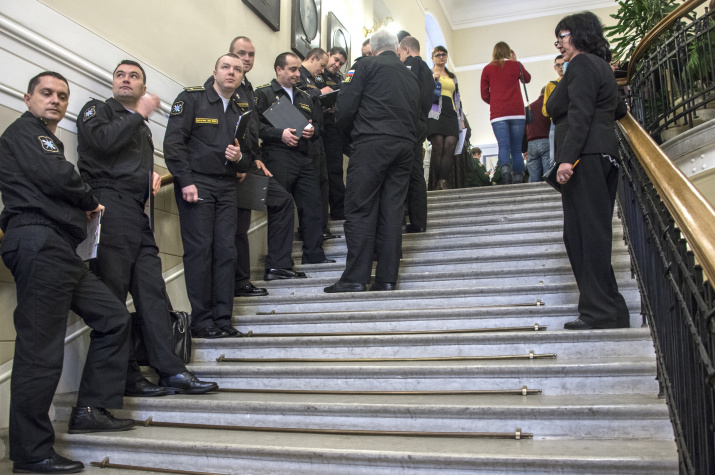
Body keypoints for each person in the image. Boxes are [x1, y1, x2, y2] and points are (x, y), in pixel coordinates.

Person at [0, 71, 135, 474]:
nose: (55, 100)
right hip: (39, 241)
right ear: (28, 98)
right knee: (40, 350)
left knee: (113, 317)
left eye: (62, 95)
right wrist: (90, 200)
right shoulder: (28, 133)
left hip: (59, 249)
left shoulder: (48, 139)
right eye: (46, 93)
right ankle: (31, 453)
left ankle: (90, 409)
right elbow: (58, 177)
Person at [76, 60, 218, 396]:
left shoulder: (139, 126)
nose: (125, 80)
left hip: (135, 211)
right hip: (107, 207)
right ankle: (125, 378)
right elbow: (102, 143)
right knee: (113, 297)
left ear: (142, 87)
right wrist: (139, 113)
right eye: (120, 75)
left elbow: (121, 159)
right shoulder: (98, 110)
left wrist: (148, 175)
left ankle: (170, 370)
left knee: (153, 292)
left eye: (133, 76)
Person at [547, 11, 630, 330]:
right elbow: (618, 109)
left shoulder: (581, 64)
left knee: (583, 235)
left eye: (562, 36)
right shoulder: (602, 67)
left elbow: (580, 114)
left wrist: (567, 159)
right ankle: (613, 309)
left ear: (579, 34)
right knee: (591, 232)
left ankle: (598, 313)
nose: (559, 44)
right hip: (603, 155)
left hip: (585, 156)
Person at [325, 29, 419, 293]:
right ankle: (386, 279)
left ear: (374, 49)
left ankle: (355, 278)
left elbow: (345, 107)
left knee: (360, 209)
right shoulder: (410, 76)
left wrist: (347, 141)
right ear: (396, 49)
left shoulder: (364, 65)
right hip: (404, 147)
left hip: (371, 143)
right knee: (392, 212)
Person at [164, 54, 248, 339]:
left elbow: (248, 157)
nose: (231, 72)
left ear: (241, 77)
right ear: (215, 72)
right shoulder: (192, 99)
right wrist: (185, 181)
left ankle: (223, 319)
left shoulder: (241, 111)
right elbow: (174, 144)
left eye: (237, 69)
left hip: (227, 186)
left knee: (226, 251)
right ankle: (202, 321)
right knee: (200, 251)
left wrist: (240, 158)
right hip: (197, 184)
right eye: (226, 67)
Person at [228, 36, 307, 284]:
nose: (247, 58)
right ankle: (240, 282)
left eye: (251, 54)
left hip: (251, 161)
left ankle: (277, 266)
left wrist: (257, 157)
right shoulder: (225, 86)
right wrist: (239, 162)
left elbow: (251, 128)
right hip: (233, 165)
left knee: (282, 202)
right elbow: (224, 129)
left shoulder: (247, 88)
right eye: (241, 53)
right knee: (238, 225)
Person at [255, 53, 334, 268]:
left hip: (304, 155)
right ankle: (279, 263)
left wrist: (312, 131)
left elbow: (318, 126)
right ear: (279, 70)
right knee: (281, 208)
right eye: (292, 69)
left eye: (298, 69)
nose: (297, 74)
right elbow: (255, 127)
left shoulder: (305, 96)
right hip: (278, 155)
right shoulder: (264, 93)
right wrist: (279, 133)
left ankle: (314, 254)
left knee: (312, 205)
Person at [298, 47, 339, 240]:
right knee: (312, 185)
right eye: (321, 65)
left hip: (318, 134)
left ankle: (322, 227)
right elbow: (298, 97)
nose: (322, 70)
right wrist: (319, 92)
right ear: (313, 58)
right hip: (305, 138)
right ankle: (312, 230)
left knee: (323, 181)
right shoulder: (299, 75)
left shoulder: (314, 78)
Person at [398, 36, 434, 233]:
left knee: (408, 171)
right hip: (421, 122)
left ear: (406, 49)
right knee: (416, 171)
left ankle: (411, 220)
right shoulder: (427, 69)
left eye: (400, 53)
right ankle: (419, 221)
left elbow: (404, 92)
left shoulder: (410, 65)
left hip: (409, 123)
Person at [480, 42, 531, 184]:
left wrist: (495, 102)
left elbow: (484, 94)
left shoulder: (487, 69)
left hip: (498, 115)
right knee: (516, 148)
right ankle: (518, 177)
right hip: (517, 112)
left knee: (503, 146)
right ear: (509, 52)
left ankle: (506, 175)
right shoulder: (516, 65)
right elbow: (527, 79)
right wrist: (515, 61)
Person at [315, 46, 348, 221]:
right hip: (318, 128)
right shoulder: (316, 75)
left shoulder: (341, 80)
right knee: (320, 174)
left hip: (333, 128)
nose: (336, 65)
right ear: (328, 55)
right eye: (335, 60)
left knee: (335, 170)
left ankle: (338, 211)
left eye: (340, 63)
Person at [427, 45, 464, 190]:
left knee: (450, 145)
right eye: (438, 55)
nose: (441, 57)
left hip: (451, 112)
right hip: (435, 112)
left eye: (444, 54)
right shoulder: (429, 74)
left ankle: (443, 181)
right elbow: (423, 93)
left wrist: (461, 118)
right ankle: (439, 181)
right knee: (438, 146)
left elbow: (457, 98)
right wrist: (431, 81)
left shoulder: (452, 77)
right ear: (432, 58)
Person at [525, 87, 553, 182]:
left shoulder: (530, 107)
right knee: (547, 175)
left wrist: (524, 148)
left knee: (533, 178)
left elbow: (524, 128)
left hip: (531, 143)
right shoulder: (548, 107)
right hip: (546, 141)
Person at [542, 55, 565, 163]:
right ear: (555, 67)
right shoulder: (550, 86)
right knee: (553, 156)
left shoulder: (574, 81)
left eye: (563, 64)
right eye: (558, 65)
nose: (561, 67)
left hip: (572, 120)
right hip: (556, 122)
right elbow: (545, 110)